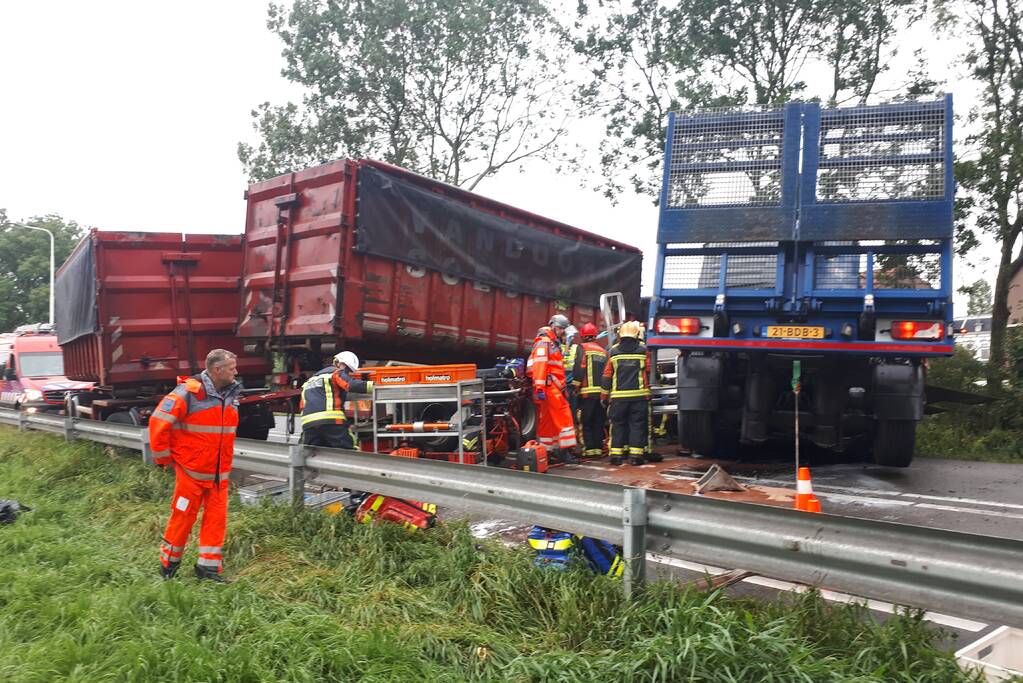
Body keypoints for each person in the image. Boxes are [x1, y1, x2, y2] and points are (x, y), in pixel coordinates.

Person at [150, 349, 242, 583]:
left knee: (216, 520)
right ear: (217, 370)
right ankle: (168, 565)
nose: (236, 372)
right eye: (232, 368)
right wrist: (165, 460)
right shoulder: (188, 392)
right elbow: (158, 422)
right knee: (183, 518)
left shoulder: (231, 394)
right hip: (191, 472)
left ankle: (208, 570)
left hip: (218, 475)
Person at [600, 321, 662, 466]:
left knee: (618, 425)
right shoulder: (643, 351)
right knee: (637, 425)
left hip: (618, 398)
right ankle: (636, 457)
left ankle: (616, 456)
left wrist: (604, 396)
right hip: (639, 397)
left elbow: (607, 376)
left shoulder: (613, 352)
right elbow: (651, 371)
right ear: (636, 335)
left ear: (620, 335)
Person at [526, 315, 578, 463]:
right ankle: (565, 452)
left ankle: (546, 451)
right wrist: (540, 388)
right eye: (561, 328)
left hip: (550, 387)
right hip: (549, 388)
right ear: (554, 326)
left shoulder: (551, 343)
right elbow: (540, 366)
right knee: (564, 417)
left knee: (547, 421)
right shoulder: (545, 343)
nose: (562, 332)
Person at [300, 351, 374, 449]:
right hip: (331, 421)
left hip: (309, 424)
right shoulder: (335, 372)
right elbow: (350, 385)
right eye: (347, 370)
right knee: (348, 449)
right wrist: (374, 385)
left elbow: (302, 405)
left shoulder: (309, 382)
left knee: (312, 453)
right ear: (338, 363)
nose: (347, 373)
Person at [572, 322, 608, 457]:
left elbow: (580, 367)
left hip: (587, 393)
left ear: (583, 336)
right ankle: (597, 449)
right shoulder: (603, 351)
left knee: (585, 421)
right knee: (598, 421)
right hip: (601, 393)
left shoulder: (582, 348)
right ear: (595, 336)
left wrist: (576, 385)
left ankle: (588, 449)